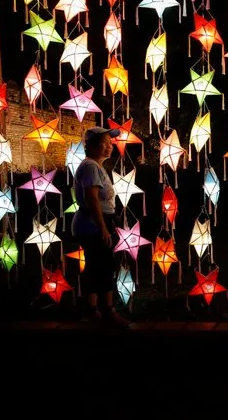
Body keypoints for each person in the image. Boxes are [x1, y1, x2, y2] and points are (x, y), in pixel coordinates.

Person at [72, 126, 130, 327]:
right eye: (106, 142)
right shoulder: (91, 167)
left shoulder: (95, 166)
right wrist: (102, 227)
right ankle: (107, 312)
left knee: (97, 266)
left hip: (94, 223)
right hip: (93, 225)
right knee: (103, 267)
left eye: (110, 142)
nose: (110, 146)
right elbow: (92, 199)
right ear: (94, 146)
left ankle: (93, 311)